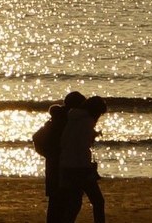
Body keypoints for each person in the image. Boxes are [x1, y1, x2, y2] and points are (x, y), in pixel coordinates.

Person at [38, 91, 107, 223]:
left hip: (65, 166)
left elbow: (66, 142)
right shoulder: (85, 121)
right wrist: (88, 169)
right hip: (79, 167)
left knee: (71, 203)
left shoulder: (70, 119)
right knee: (96, 201)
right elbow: (80, 148)